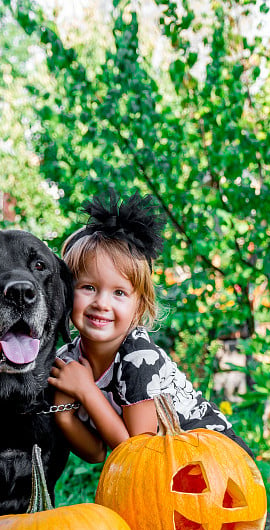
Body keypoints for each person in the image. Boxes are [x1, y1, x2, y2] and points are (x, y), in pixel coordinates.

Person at [48, 190, 249, 463]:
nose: (101, 303)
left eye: (119, 293)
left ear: (139, 307)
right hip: (164, 471)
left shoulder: (139, 357)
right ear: (67, 292)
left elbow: (139, 454)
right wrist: (63, 415)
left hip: (215, 462)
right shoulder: (70, 361)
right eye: (88, 287)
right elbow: (96, 453)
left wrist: (86, 391)